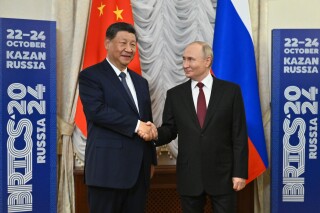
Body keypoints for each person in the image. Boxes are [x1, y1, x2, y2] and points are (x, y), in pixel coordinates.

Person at [140, 41, 248, 213]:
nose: (185, 65)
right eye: (183, 59)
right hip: (190, 176)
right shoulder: (175, 95)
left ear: (207, 61)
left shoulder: (231, 92)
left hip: (223, 176)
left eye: (190, 60)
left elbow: (239, 135)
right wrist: (153, 133)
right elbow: (169, 130)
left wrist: (240, 173)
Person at [78, 22, 157, 213]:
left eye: (133, 44)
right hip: (107, 170)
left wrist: (151, 159)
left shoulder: (140, 82)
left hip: (139, 171)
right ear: (107, 43)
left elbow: (146, 119)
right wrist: (137, 125)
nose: (129, 49)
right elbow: (97, 111)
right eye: (123, 43)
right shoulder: (91, 76)